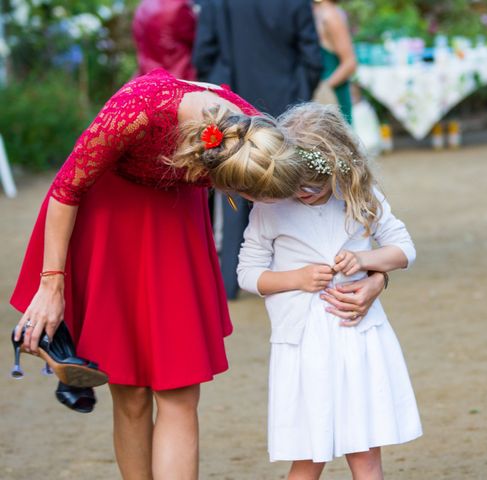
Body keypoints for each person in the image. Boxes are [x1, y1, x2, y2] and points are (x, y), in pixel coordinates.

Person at [9, 67, 307, 479]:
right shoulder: (138, 110)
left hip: (173, 223)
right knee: (130, 393)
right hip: (110, 218)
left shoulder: (257, 136)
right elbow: (66, 188)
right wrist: (52, 284)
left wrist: (369, 269)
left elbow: (327, 173)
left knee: (179, 388)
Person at [237, 103, 422, 479]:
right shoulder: (270, 207)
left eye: (314, 185)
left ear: (338, 167)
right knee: (308, 458)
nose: (303, 193)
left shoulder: (358, 193)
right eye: (296, 184)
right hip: (303, 345)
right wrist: (296, 279)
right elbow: (247, 273)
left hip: (357, 338)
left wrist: (367, 260)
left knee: (365, 453)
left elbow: (404, 249)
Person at [193, 0, 324, 299]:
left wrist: (222, 99)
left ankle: (230, 281)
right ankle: (293, 270)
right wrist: (298, 99)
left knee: (234, 189)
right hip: (284, 107)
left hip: (233, 104)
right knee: (286, 186)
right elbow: (312, 58)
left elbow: (203, 55)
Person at [312, 0, 357, 123]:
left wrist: (323, 88)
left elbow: (350, 63)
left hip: (332, 96)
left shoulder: (329, 15)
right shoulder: (312, 11)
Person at [133, 0, 198, 79]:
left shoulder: (143, 7)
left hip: (147, 75)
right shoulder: (179, 7)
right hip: (176, 76)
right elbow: (196, 38)